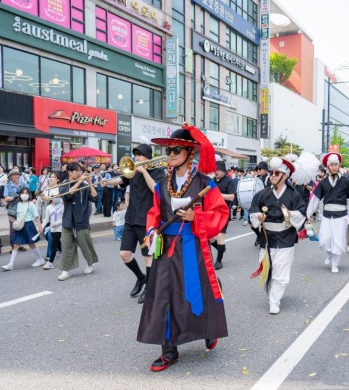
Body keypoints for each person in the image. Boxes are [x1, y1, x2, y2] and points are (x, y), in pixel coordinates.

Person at [138, 125, 228, 372]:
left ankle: (209, 330)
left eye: (175, 150)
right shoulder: (161, 184)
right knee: (163, 295)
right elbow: (154, 213)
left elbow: (220, 213)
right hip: (165, 247)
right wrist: (151, 230)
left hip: (191, 246)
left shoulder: (205, 183)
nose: (170, 155)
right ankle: (168, 351)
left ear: (190, 153)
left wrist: (195, 218)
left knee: (195, 295)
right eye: (168, 150)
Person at [102, 144, 166, 302]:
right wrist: (106, 182)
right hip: (131, 219)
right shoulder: (133, 171)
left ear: (148, 157)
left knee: (148, 258)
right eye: (136, 155)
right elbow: (121, 179)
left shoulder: (158, 172)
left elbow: (156, 190)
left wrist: (144, 171)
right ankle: (141, 277)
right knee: (124, 254)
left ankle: (149, 288)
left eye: (140, 155)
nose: (137, 158)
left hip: (148, 221)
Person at [249, 158, 307, 314]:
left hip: (285, 238)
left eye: (277, 173)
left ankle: (274, 301)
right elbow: (252, 213)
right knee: (269, 269)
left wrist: (290, 214)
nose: (273, 175)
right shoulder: (262, 194)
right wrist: (257, 217)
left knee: (281, 272)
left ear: (285, 176)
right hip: (267, 238)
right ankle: (273, 294)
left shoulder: (293, 195)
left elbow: (302, 214)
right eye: (272, 172)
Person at [306, 152, 349, 273]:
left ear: (339, 166)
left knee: (337, 241)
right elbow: (316, 199)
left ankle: (335, 264)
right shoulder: (323, 183)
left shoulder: (346, 181)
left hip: (341, 215)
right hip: (327, 215)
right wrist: (308, 213)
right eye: (331, 165)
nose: (334, 167)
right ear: (328, 167)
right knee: (324, 240)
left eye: (336, 165)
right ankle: (330, 255)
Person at [57, 162, 99, 281]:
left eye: (80, 171)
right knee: (66, 245)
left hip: (82, 218)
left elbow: (95, 197)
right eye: (77, 171)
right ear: (70, 172)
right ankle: (66, 270)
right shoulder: (64, 184)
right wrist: (80, 181)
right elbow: (68, 195)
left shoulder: (85, 184)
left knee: (84, 243)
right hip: (68, 219)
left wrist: (90, 183)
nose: (80, 173)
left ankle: (91, 263)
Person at [3, 187, 44, 270]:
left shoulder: (31, 204)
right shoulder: (18, 204)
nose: (24, 195)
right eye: (22, 193)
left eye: (26, 193)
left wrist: (40, 226)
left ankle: (40, 259)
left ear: (29, 195)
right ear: (19, 195)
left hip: (28, 225)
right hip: (19, 226)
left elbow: (36, 216)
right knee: (16, 244)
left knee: (31, 244)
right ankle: (11, 264)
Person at [210, 160, 236, 270]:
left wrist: (217, 195)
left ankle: (219, 261)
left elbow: (231, 197)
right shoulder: (211, 181)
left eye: (219, 170)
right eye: (215, 170)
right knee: (210, 237)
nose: (216, 172)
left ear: (223, 171)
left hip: (224, 212)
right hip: (211, 211)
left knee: (220, 236)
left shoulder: (229, 181)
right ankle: (221, 248)